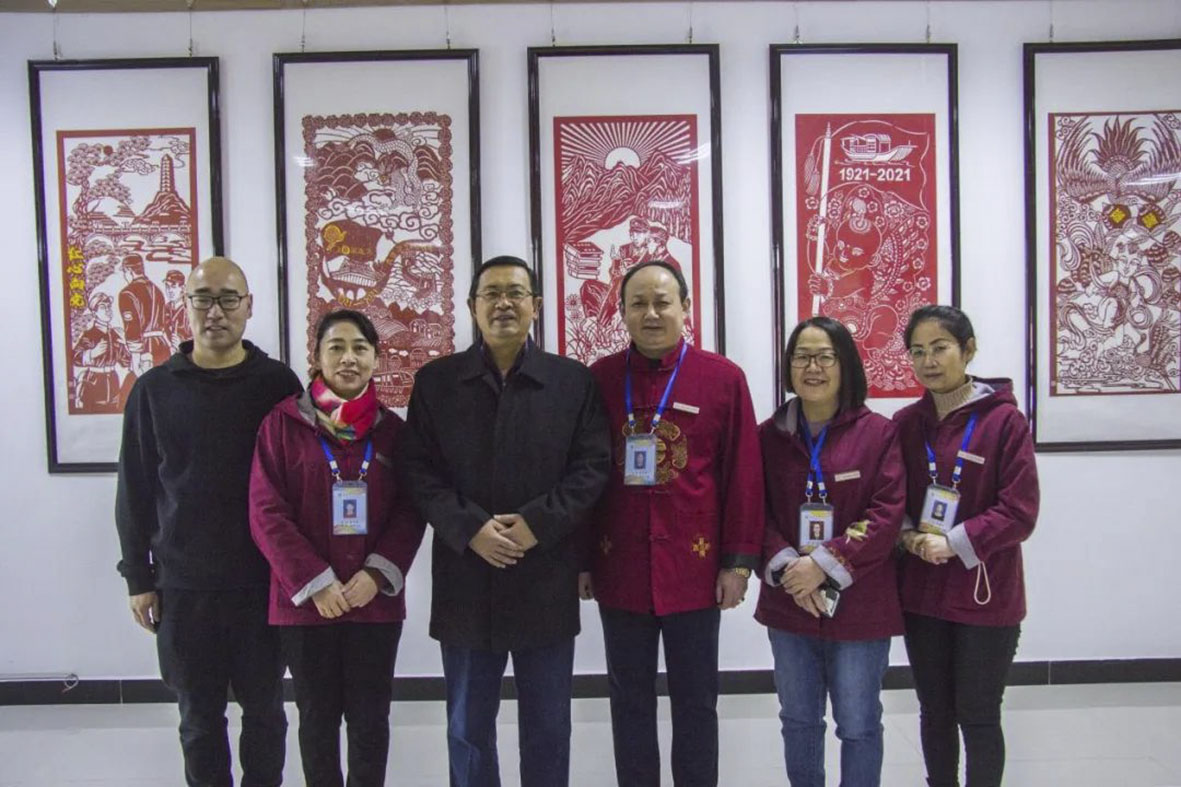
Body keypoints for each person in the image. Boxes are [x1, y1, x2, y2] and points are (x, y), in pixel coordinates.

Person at [401, 255, 612, 787]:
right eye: (490, 294)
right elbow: (417, 472)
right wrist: (470, 528)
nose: (503, 304)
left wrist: (537, 524)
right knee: (468, 728)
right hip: (466, 579)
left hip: (545, 575)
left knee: (548, 728)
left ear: (535, 306)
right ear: (471, 307)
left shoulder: (571, 381)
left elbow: (592, 468)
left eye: (515, 293)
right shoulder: (436, 382)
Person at [115, 256, 300, 787]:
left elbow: (299, 481)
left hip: (263, 582)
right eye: (203, 299)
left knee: (265, 713)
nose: (215, 311)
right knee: (198, 719)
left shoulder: (277, 384)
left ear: (248, 306)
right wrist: (138, 577)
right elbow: (135, 489)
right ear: (187, 305)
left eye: (227, 299)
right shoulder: (154, 389)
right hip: (184, 584)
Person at [581, 260, 764, 787]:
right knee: (628, 699)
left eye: (662, 302)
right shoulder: (599, 379)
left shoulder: (723, 379)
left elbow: (743, 476)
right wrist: (582, 560)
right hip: (621, 567)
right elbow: (583, 477)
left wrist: (738, 564)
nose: (651, 313)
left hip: (696, 569)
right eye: (637, 303)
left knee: (696, 700)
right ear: (621, 313)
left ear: (686, 307)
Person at [250, 308, 426, 787]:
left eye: (360, 348)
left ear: (375, 357)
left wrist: (376, 574)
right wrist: (316, 582)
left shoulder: (393, 432)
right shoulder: (281, 424)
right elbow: (266, 511)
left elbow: (411, 509)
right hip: (307, 606)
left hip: (373, 602)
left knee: (371, 721)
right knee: (317, 720)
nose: (349, 358)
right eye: (337, 347)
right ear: (317, 357)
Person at [755, 316, 906, 787]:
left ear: (846, 365)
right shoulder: (767, 436)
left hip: (860, 604)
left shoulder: (878, 433)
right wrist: (791, 569)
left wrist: (822, 565)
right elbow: (752, 511)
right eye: (802, 357)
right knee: (798, 720)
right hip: (789, 601)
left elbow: (887, 513)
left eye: (825, 357)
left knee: (858, 724)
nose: (812, 368)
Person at [895, 305, 1039, 787]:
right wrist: (908, 535)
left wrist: (954, 543)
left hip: (985, 593)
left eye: (940, 348)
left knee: (977, 713)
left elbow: (1020, 511)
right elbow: (890, 497)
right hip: (922, 594)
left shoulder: (1005, 422)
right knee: (934, 711)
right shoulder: (905, 423)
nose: (929, 361)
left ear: (968, 349)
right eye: (918, 351)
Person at [72, 290, 131, 412]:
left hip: (113, 382)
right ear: (94, 313)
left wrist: (125, 344)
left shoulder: (115, 334)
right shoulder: (89, 335)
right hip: (94, 382)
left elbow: (126, 361)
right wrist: (91, 353)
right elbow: (74, 357)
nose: (108, 310)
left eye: (109, 306)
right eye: (103, 307)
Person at [118, 253, 171, 373]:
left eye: (124, 272)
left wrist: (135, 356)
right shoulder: (157, 290)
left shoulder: (127, 293)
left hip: (144, 349)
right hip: (162, 346)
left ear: (129, 270)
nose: (124, 275)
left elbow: (132, 326)